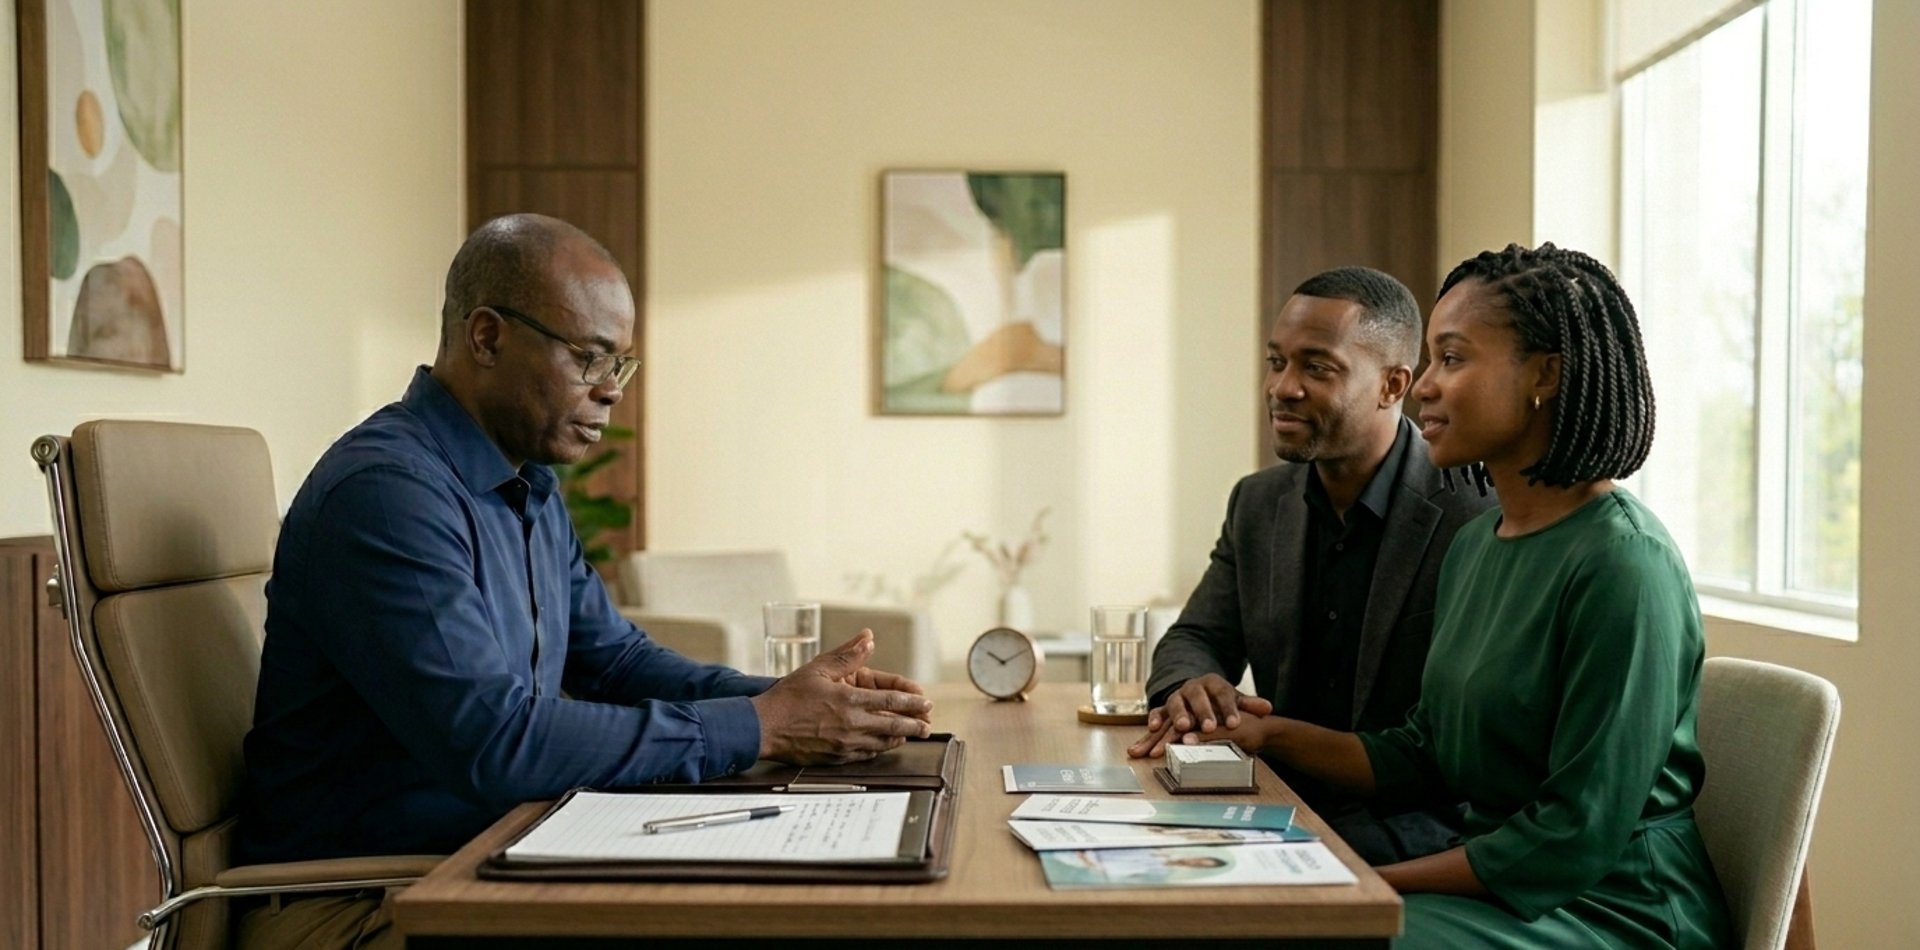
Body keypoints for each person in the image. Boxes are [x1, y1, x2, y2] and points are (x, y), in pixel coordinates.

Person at [235, 214, 933, 950]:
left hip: (485, 858)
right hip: (363, 900)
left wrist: (784, 702)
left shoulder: (525, 483)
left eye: (620, 367)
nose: (610, 393)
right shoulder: (388, 494)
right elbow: (494, 740)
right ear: (487, 337)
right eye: (590, 360)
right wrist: (765, 726)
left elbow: (618, 662)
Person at [1164, 244, 1733, 947]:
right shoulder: (1480, 545)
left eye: (1453, 360)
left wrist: (1357, 881)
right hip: (1495, 885)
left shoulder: (1625, 564)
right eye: (1429, 360)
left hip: (1611, 906)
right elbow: (1422, 753)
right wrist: (1267, 732)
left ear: (1544, 376)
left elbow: (1573, 836)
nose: (1424, 386)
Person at [1129, 266, 1495, 865]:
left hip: (1417, 833)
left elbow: (1461, 756)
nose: (1282, 387)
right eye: (1277, 362)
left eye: (1316, 368)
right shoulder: (1257, 502)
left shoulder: (1476, 512)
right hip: (1275, 805)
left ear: (1392, 384)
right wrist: (1192, 687)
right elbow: (1197, 637)